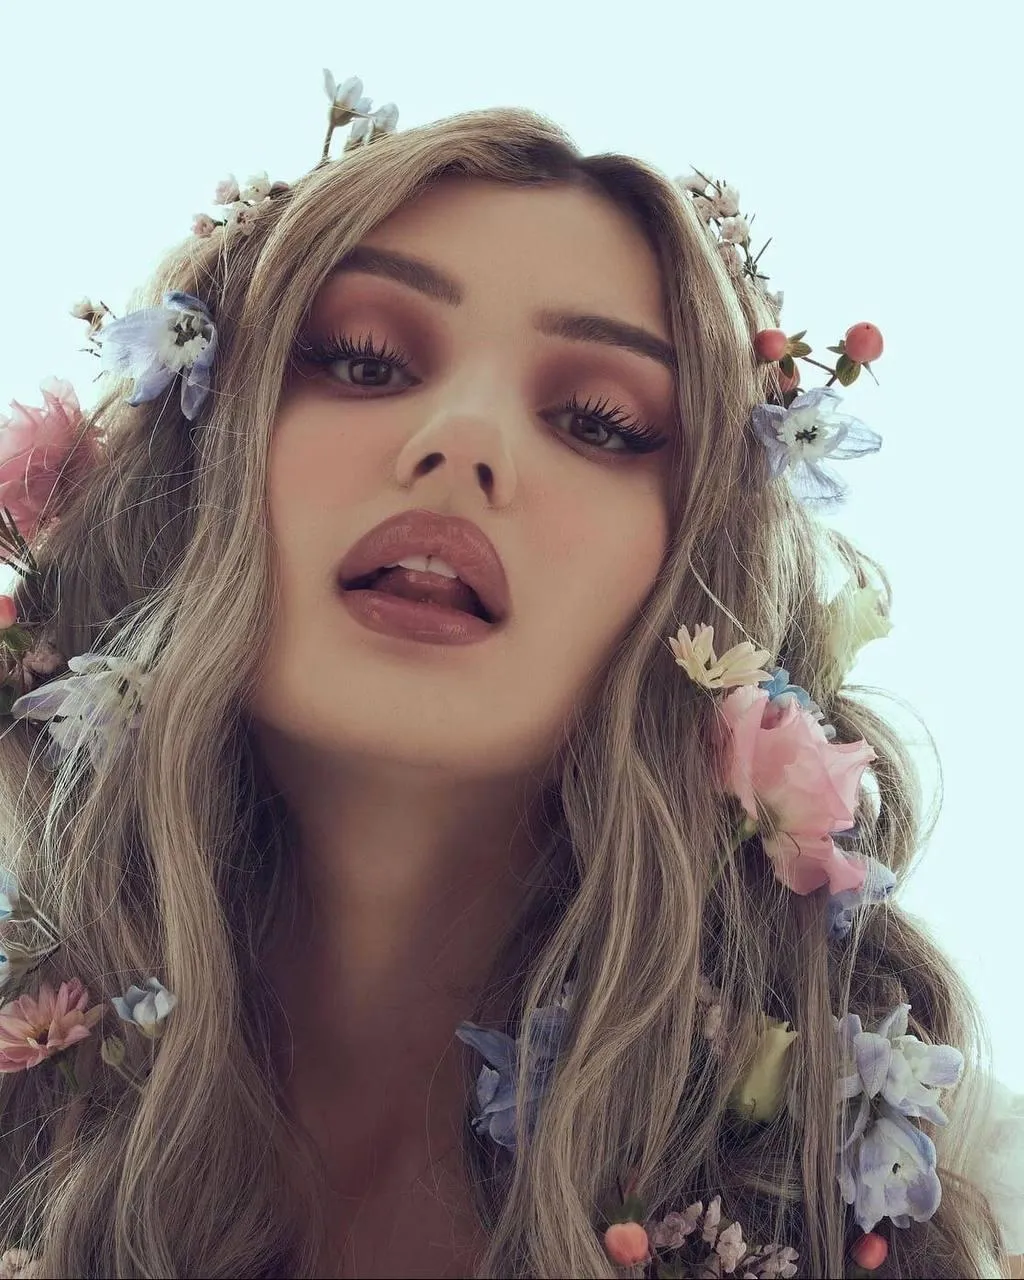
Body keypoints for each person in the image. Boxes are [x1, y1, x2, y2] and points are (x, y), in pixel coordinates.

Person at [0, 72, 1018, 1279]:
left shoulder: (941, 1183)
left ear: (694, 585)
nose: (466, 438)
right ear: (200, 471)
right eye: (367, 360)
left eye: (598, 419)